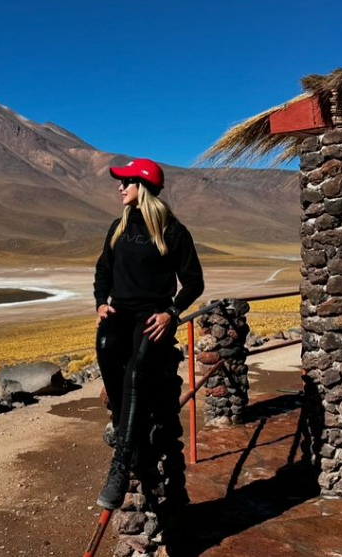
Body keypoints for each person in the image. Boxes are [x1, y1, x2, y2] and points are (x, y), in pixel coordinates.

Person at [93, 157, 205, 510]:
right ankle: (125, 426)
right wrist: (100, 302)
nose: (120, 186)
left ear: (142, 187)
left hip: (151, 316)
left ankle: (122, 463)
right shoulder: (118, 226)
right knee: (106, 347)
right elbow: (103, 271)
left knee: (138, 368)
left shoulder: (173, 231)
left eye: (126, 181)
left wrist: (171, 313)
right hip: (120, 312)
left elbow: (194, 282)